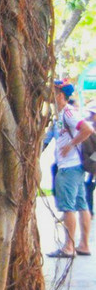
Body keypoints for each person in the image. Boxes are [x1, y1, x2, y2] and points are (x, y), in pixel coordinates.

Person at [48, 81, 93, 257]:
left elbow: (87, 129)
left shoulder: (68, 112)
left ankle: (69, 246)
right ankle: (83, 245)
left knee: (68, 207)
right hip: (76, 167)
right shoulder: (61, 114)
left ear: (60, 95)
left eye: (54, 92)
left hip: (69, 167)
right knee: (82, 204)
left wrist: (71, 145)